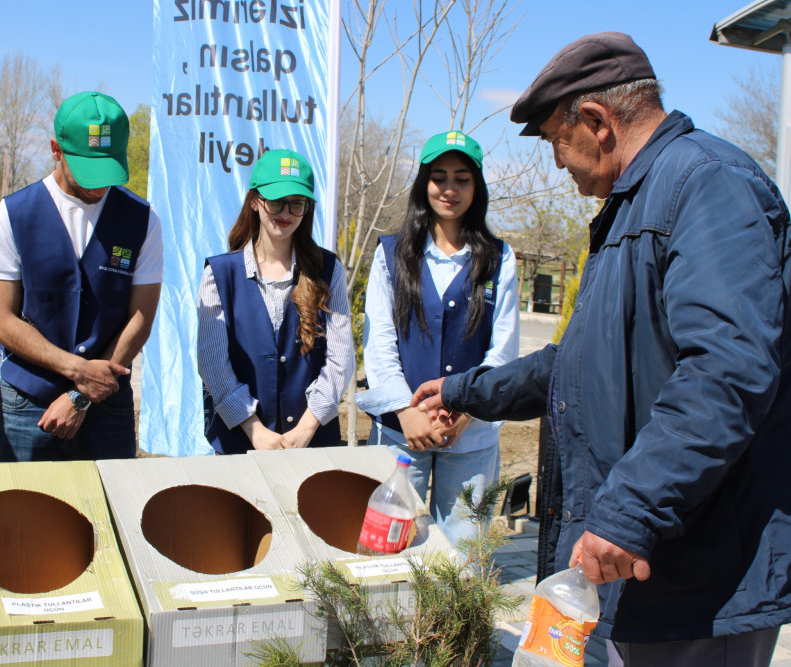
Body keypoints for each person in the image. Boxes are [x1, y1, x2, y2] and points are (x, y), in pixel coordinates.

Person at [413, 32, 791, 666]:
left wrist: (628, 511)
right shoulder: (637, 203)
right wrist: (466, 390)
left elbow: (725, 373)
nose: (559, 164)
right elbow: (580, 365)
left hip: (699, 574)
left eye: (557, 143)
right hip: (648, 564)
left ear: (596, 122)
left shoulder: (707, 186)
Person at [360, 130, 519, 545]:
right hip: (401, 434)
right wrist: (405, 411)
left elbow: (502, 350)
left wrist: (466, 411)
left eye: (462, 178)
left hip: (473, 436)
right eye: (439, 177)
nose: (450, 189)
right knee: (390, 549)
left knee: (465, 554)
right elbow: (379, 344)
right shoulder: (391, 254)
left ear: (477, 187)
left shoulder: (499, 259)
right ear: (423, 184)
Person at [0, 91, 162, 461]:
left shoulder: (142, 220)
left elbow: (140, 318)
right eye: (88, 171)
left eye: (108, 171)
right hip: (27, 404)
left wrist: (84, 394)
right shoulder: (14, 214)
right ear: (56, 149)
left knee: (109, 515)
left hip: (107, 401)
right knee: (21, 512)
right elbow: (3, 321)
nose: (99, 186)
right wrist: (77, 371)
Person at [198, 149, 354, 454]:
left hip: (312, 443)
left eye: (296, 204)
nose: (285, 212)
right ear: (255, 201)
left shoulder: (329, 270)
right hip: (240, 445)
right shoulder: (218, 273)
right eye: (275, 201)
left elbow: (341, 358)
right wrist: (254, 429)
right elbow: (213, 363)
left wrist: (307, 427)